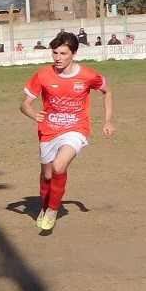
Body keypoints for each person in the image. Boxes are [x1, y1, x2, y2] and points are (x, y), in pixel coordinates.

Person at [20, 31, 115, 232]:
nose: (58, 58)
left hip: (76, 127)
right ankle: (45, 206)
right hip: (48, 130)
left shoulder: (88, 75)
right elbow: (25, 104)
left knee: (59, 166)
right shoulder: (43, 74)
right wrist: (33, 113)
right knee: (47, 174)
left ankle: (53, 210)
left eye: (63, 53)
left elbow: (108, 91)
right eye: (55, 53)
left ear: (74, 53)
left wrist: (107, 120)